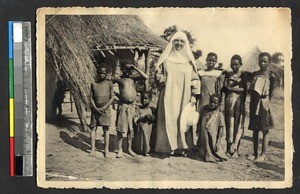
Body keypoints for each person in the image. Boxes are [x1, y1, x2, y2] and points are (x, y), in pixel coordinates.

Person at [154, 31, 199, 156]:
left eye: (182, 41)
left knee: (183, 120)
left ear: (185, 44)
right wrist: (162, 80)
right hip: (168, 95)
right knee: (168, 118)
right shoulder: (165, 60)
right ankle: (166, 147)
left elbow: (195, 80)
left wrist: (194, 95)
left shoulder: (189, 62)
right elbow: (158, 76)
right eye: (176, 41)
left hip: (184, 97)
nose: (179, 43)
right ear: (172, 42)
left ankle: (182, 147)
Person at [113, 59, 148, 158]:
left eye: (129, 69)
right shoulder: (119, 79)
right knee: (120, 129)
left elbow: (145, 77)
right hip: (123, 106)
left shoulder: (133, 78)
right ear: (122, 69)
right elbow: (108, 84)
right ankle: (119, 149)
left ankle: (129, 149)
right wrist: (116, 95)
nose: (127, 71)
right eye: (125, 68)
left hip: (132, 107)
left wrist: (135, 68)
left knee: (130, 130)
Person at [248, 52, 275, 162]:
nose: (262, 63)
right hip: (254, 103)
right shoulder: (255, 73)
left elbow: (272, 91)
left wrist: (267, 102)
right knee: (255, 129)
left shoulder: (271, 75)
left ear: (269, 62)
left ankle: (263, 154)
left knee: (264, 129)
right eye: (260, 61)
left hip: (264, 103)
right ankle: (255, 153)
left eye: (265, 61)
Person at [223, 55, 247, 157]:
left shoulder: (243, 76)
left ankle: (236, 149)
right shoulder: (228, 75)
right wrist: (227, 87)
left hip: (239, 102)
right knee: (229, 124)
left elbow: (244, 89)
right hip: (229, 102)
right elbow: (224, 88)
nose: (234, 66)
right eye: (232, 64)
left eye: (236, 64)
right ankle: (229, 149)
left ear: (240, 64)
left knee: (238, 123)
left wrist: (230, 89)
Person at [90, 63, 115, 158]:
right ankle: (92, 149)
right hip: (95, 110)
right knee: (93, 128)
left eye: (103, 73)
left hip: (105, 110)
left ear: (106, 73)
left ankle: (106, 150)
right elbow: (91, 98)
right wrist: (95, 108)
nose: (101, 75)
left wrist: (104, 107)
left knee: (106, 129)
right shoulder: (93, 83)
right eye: (99, 73)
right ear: (97, 73)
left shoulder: (109, 83)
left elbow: (112, 97)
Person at [197, 93, 228, 162]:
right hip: (203, 135)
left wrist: (218, 141)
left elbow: (221, 128)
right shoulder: (204, 111)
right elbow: (200, 122)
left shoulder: (219, 115)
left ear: (219, 104)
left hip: (212, 136)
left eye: (215, 103)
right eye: (211, 102)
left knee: (212, 149)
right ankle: (205, 154)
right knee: (203, 147)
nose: (212, 104)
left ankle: (211, 156)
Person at [133, 91, 155, 156]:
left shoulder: (152, 109)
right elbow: (135, 119)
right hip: (140, 131)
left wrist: (152, 118)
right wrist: (144, 117)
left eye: (146, 98)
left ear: (150, 100)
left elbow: (154, 121)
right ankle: (140, 149)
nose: (143, 100)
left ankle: (148, 148)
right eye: (142, 98)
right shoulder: (138, 109)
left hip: (149, 130)